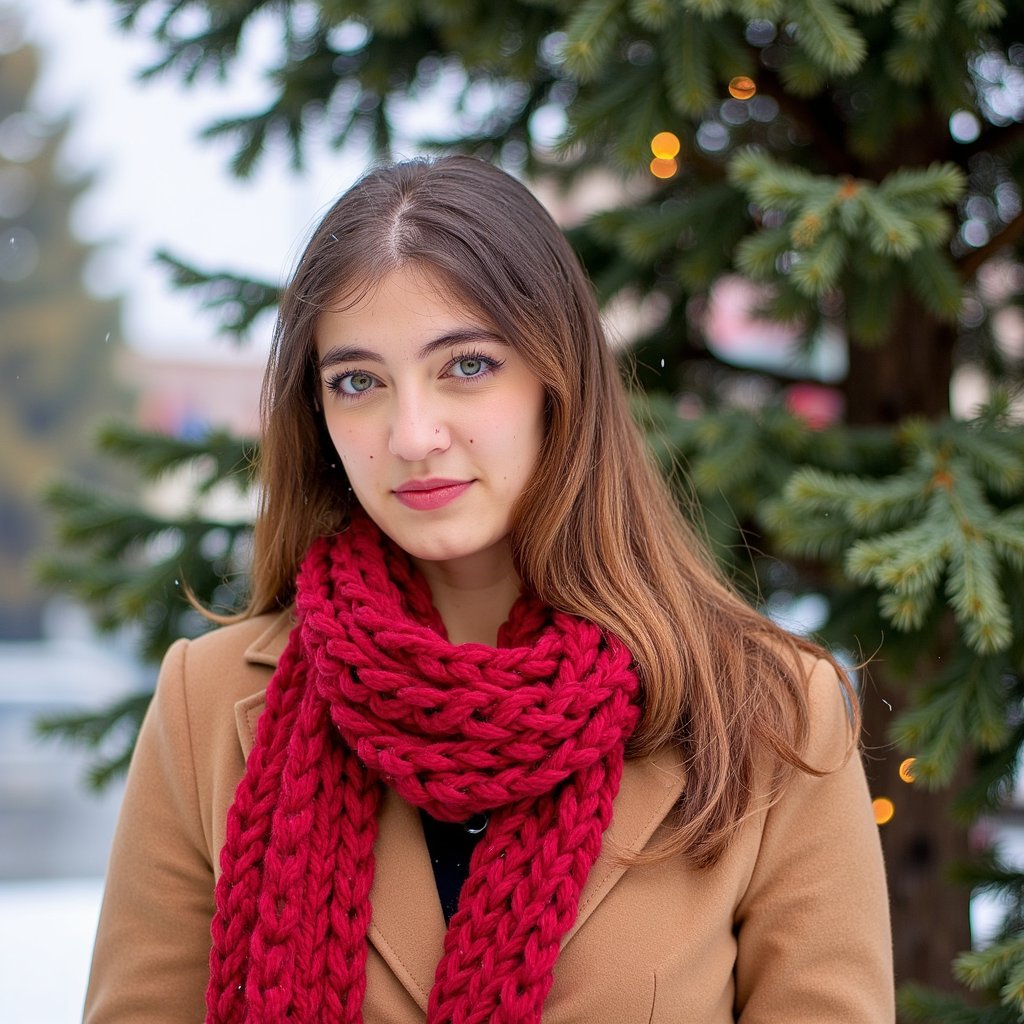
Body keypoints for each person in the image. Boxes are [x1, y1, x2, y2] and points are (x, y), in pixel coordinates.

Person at [83, 155, 893, 1024]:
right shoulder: (207, 705)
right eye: (358, 382)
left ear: (557, 380)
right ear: (318, 416)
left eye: (466, 366)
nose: (413, 435)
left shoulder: (772, 713)